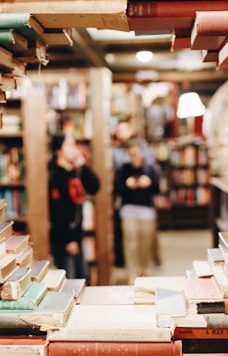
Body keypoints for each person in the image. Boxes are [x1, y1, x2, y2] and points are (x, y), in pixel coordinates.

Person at [48, 132, 100, 280]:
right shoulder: (54, 175)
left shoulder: (74, 171)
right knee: (70, 282)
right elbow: (56, 210)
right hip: (63, 240)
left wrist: (83, 164)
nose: (74, 149)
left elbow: (94, 186)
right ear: (58, 150)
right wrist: (67, 240)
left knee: (83, 278)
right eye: (70, 145)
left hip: (77, 236)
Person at [112, 118, 162, 267]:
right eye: (119, 131)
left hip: (146, 207)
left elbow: (156, 182)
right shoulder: (117, 155)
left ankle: (147, 267)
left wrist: (149, 181)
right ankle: (133, 271)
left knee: (146, 242)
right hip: (128, 207)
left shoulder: (148, 163)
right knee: (131, 242)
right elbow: (117, 183)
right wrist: (127, 184)